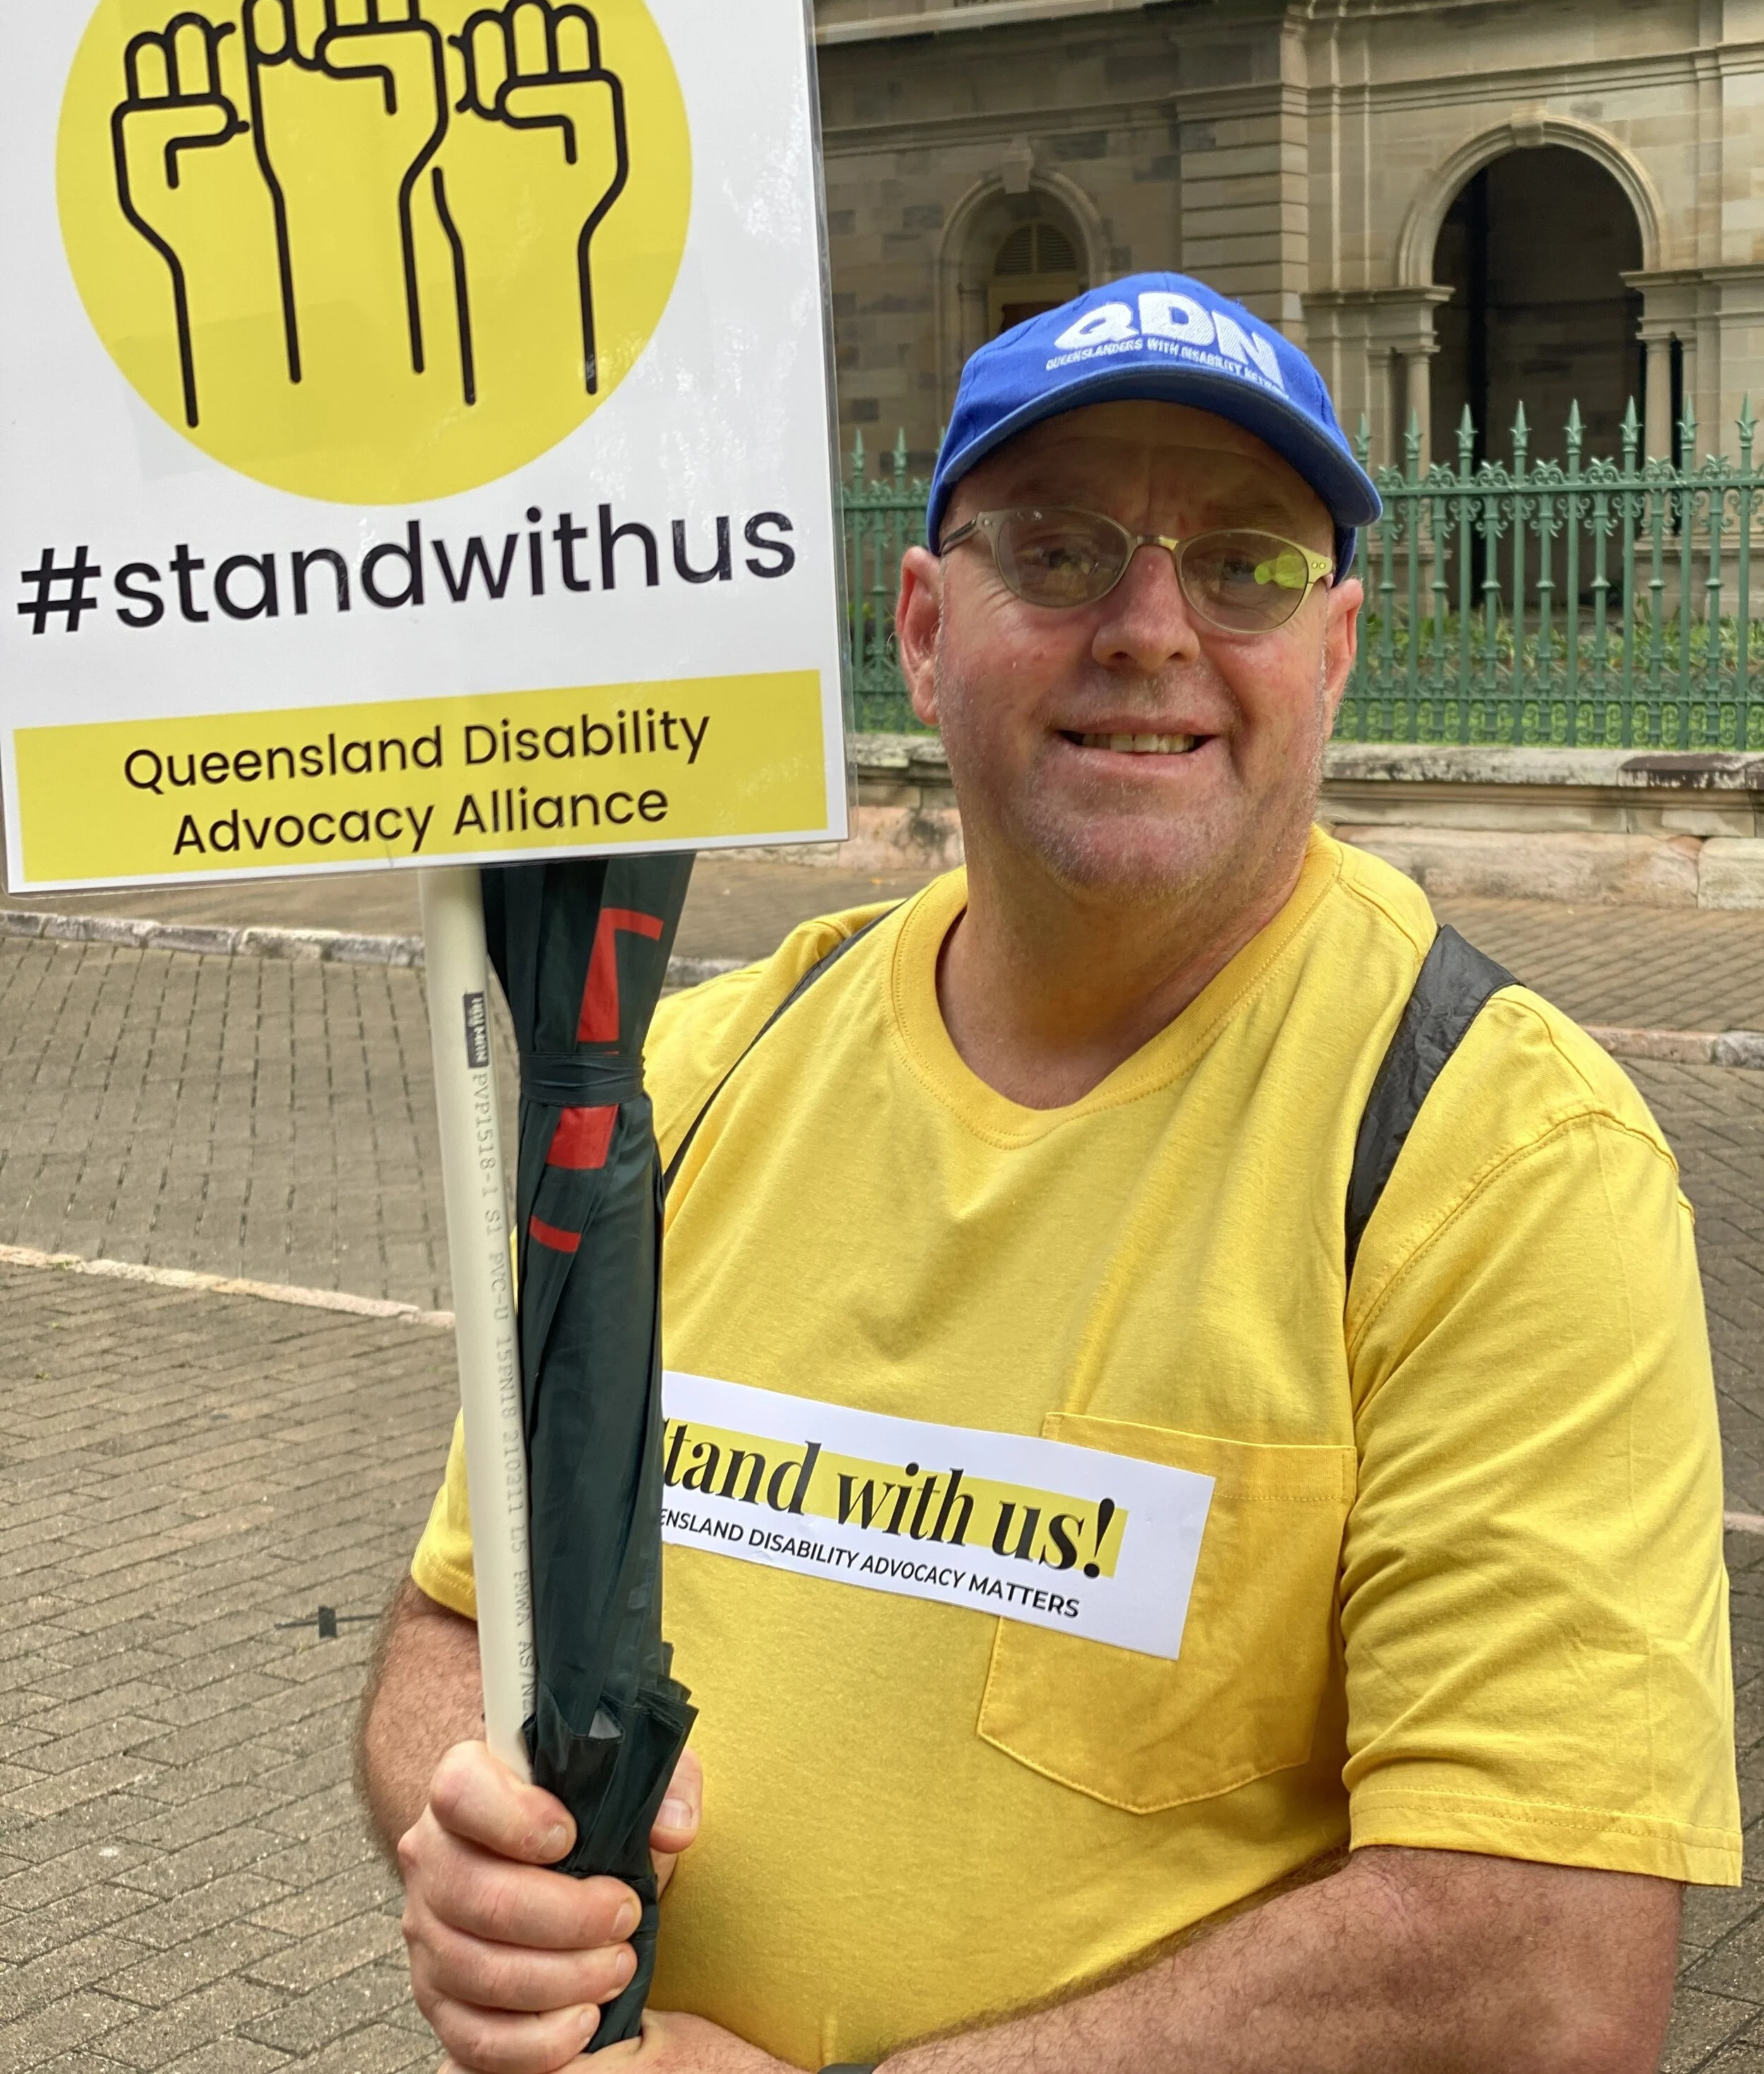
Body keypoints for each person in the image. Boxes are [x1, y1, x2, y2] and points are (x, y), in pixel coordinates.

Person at [358, 274, 1739, 2074]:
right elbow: (458, 1623)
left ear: (1331, 650)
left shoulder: (1493, 1158)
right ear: (924, 627)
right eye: (1062, 549)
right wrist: (467, 1834)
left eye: (1242, 561)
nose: (1153, 628)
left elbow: (1534, 1974)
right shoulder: (684, 1087)